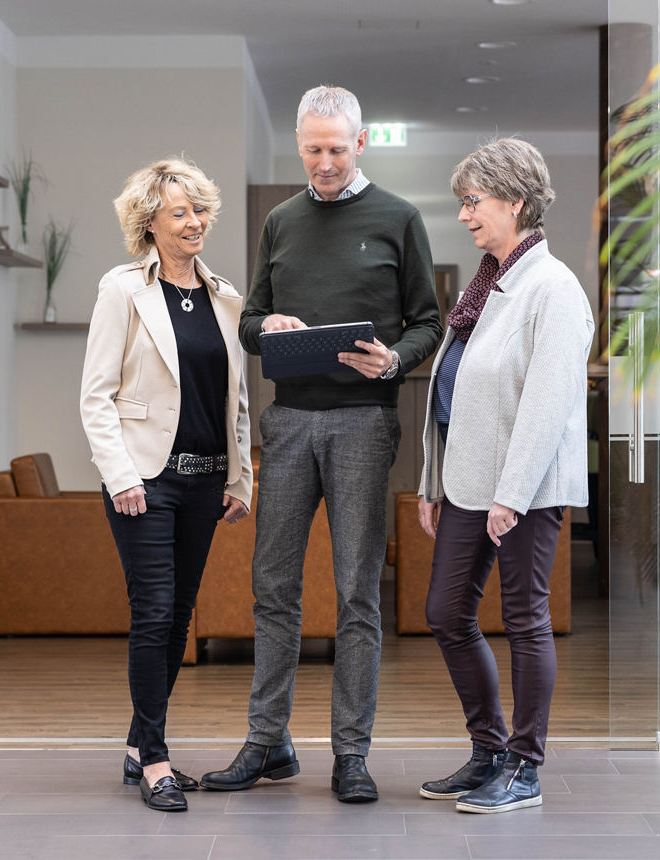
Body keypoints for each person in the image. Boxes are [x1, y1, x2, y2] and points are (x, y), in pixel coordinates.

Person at [200, 85, 442, 803]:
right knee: (272, 587)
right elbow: (248, 321)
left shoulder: (398, 218)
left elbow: (427, 322)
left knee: (356, 592)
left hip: (365, 422)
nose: (326, 161)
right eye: (313, 149)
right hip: (290, 419)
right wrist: (265, 329)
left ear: (360, 143)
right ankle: (267, 743)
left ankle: (351, 755)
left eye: (338, 148)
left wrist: (395, 359)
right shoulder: (281, 220)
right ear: (299, 144)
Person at [415, 138, 593, 814]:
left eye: (473, 201)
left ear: (516, 202)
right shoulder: (488, 283)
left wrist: (512, 497)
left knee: (524, 618)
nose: (463, 215)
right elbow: (458, 388)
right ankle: (488, 750)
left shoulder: (552, 288)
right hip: (467, 481)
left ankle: (525, 767)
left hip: (524, 487)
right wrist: (433, 482)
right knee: (446, 612)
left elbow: (546, 406)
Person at [80, 158, 253, 812]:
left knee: (177, 617)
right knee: (153, 612)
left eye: (200, 210)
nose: (195, 222)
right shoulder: (122, 290)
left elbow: (235, 399)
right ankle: (155, 759)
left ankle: (135, 740)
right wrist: (120, 475)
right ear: (148, 222)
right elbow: (97, 397)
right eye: (180, 212)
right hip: (145, 484)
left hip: (207, 482)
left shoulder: (224, 296)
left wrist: (241, 477)